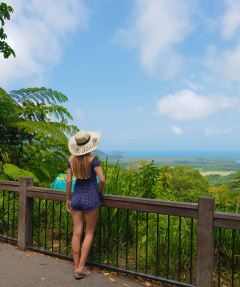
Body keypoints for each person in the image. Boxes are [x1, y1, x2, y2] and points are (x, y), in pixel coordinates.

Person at [66, 130, 105, 279]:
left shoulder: (71, 160)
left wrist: (67, 199)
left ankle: (77, 266)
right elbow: (102, 180)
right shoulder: (94, 160)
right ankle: (81, 268)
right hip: (91, 198)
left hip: (76, 197)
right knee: (88, 233)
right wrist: (101, 193)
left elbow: (69, 181)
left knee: (77, 232)